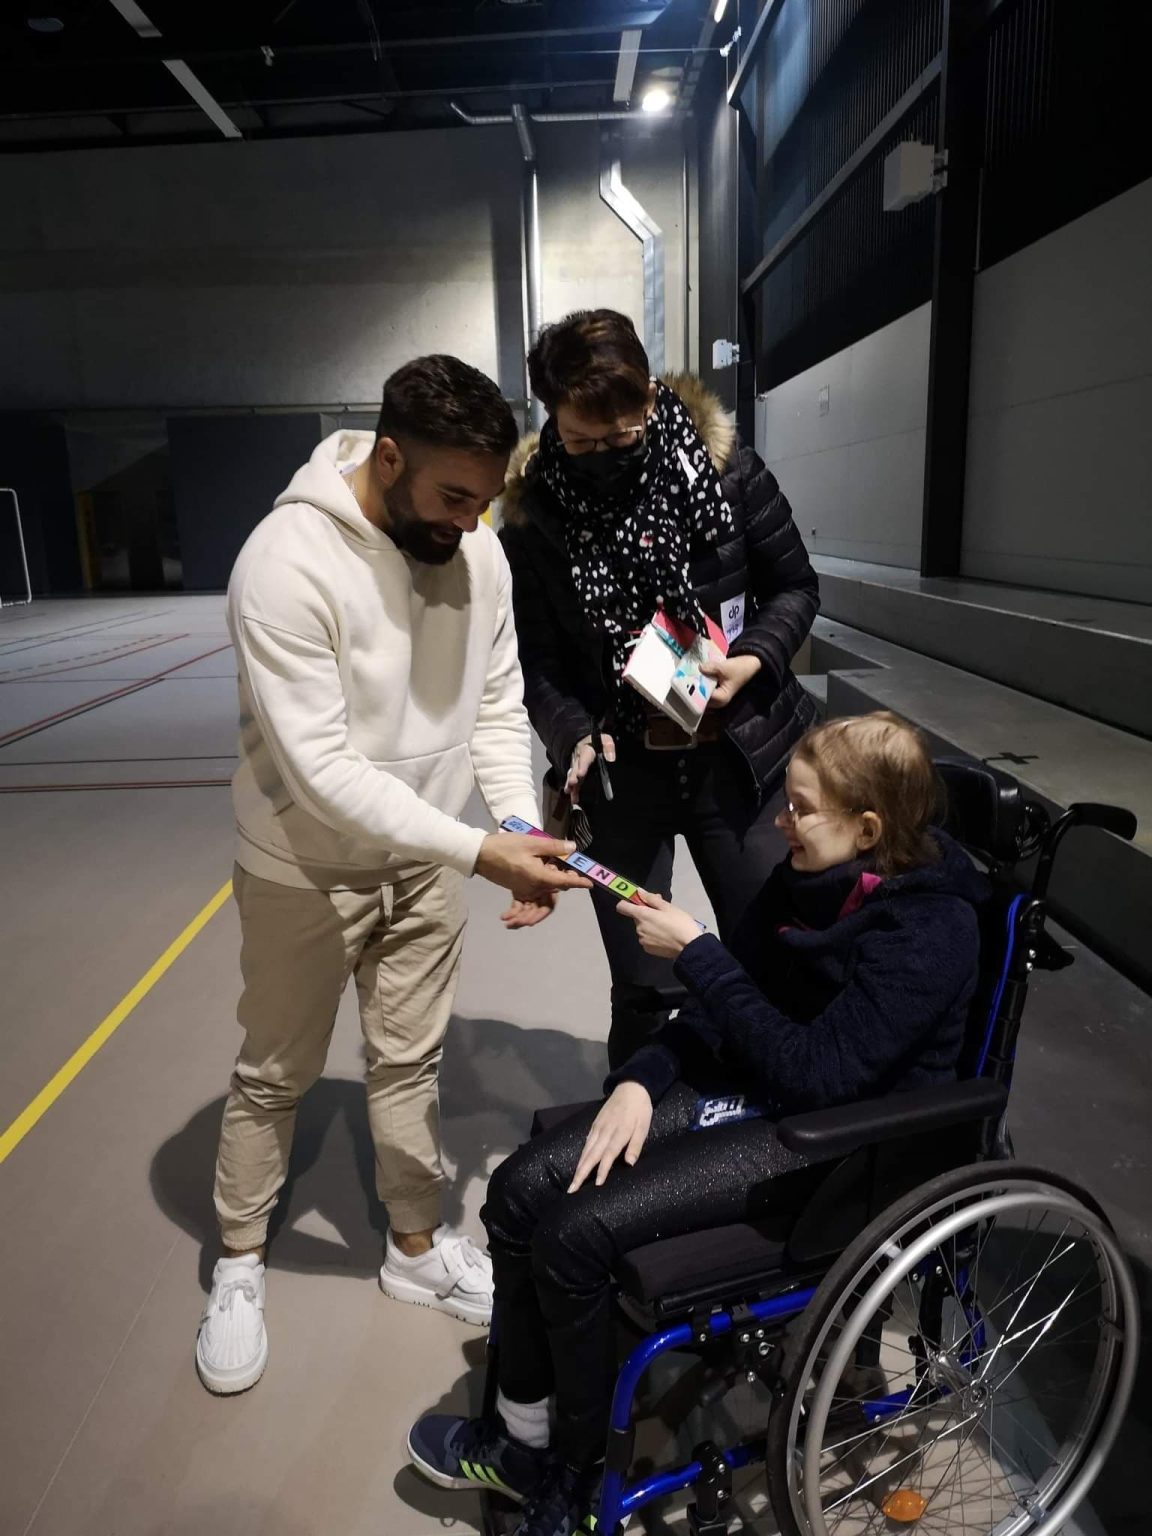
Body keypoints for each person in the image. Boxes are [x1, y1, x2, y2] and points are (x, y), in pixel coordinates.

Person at [407, 712, 990, 1536]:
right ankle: (521, 1438)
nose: (780, 821)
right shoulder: (809, 877)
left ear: (868, 829)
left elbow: (819, 1077)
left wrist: (697, 956)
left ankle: (575, 1478)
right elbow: (726, 1004)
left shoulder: (930, 929)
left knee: (572, 1236)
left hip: (838, 1150)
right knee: (517, 1188)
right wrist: (641, 1081)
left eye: (800, 808)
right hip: (763, 1096)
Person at [195, 356, 591, 1397]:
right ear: (386, 458)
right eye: (454, 497)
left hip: (425, 863)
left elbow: (496, 705)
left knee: (409, 1063)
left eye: (485, 500)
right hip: (304, 867)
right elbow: (322, 774)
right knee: (274, 1073)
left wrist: (515, 827)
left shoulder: (478, 550)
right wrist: (477, 849)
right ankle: (238, 1262)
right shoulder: (283, 565)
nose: (471, 522)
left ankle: (414, 1250)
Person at [499, 309, 820, 1069]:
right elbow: (537, 663)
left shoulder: (727, 473)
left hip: (740, 758)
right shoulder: (536, 514)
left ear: (649, 396)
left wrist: (753, 659)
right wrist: (574, 735)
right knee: (644, 984)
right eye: (580, 442)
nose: (601, 458)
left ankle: (763, 1117)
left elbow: (795, 587)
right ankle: (649, 1114)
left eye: (620, 439)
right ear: (551, 416)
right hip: (623, 778)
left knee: (772, 957)